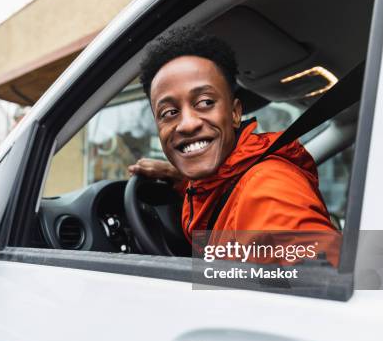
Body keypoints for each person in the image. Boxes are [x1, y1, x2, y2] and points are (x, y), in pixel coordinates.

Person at [128, 26, 339, 266]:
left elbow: (324, 279)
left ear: (235, 113)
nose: (186, 124)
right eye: (169, 112)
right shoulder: (215, 182)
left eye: (205, 102)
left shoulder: (267, 190)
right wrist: (178, 178)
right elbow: (219, 190)